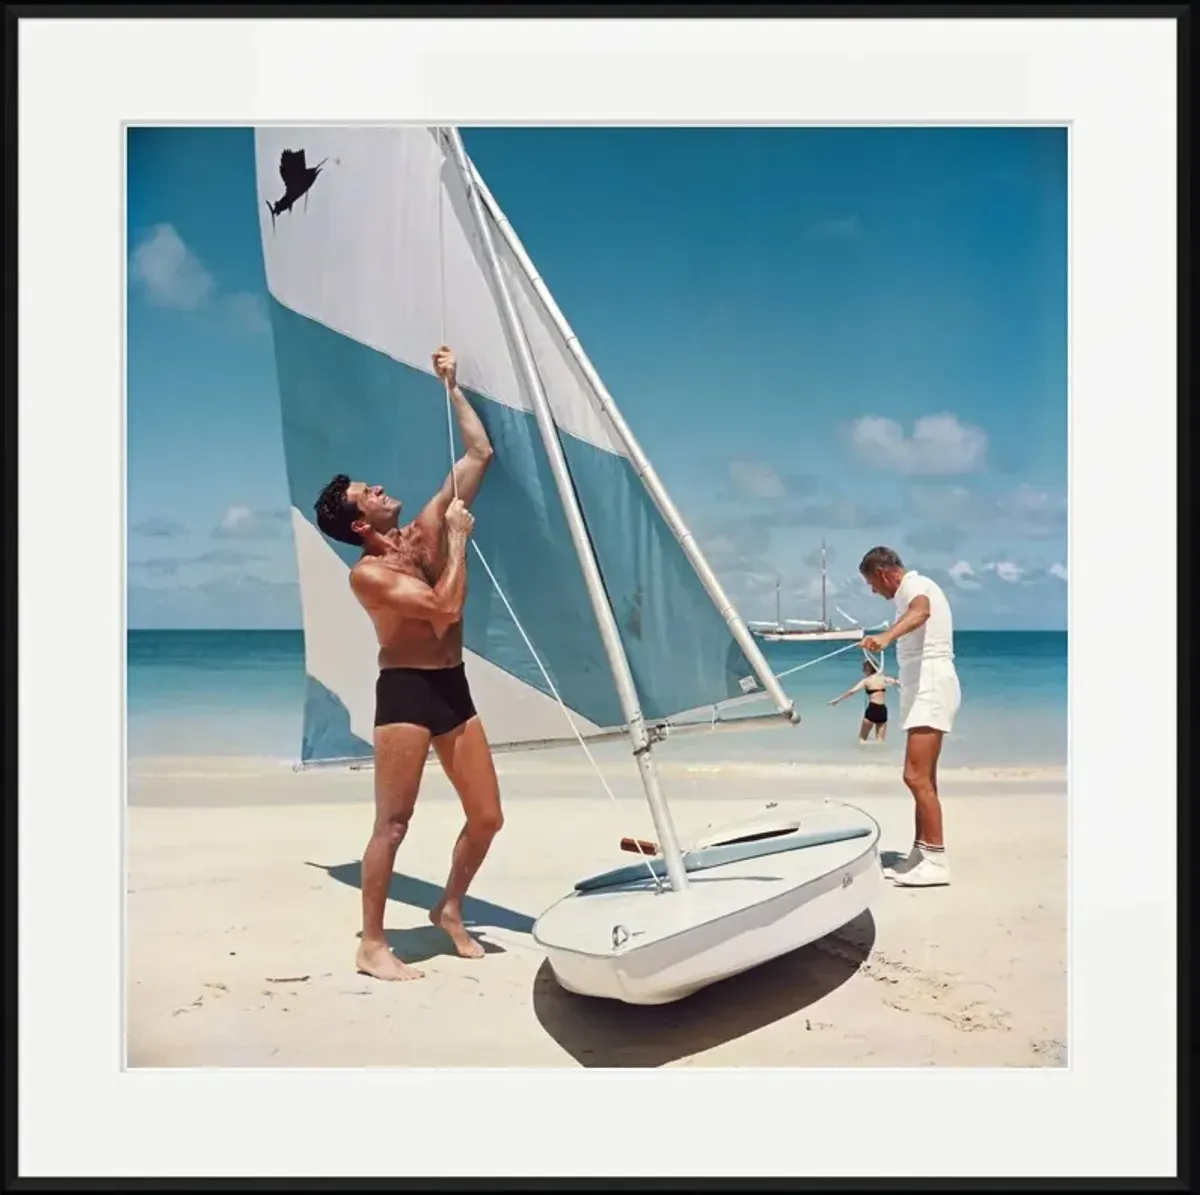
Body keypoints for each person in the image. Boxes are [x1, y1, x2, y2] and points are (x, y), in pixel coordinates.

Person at [313, 345, 500, 980]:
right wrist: (460, 541)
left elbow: (478, 455)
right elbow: (444, 609)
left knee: (487, 817)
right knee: (393, 824)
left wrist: (452, 386)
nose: (379, 487)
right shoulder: (368, 575)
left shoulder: (422, 532)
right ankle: (372, 944)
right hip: (405, 694)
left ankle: (448, 908)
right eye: (367, 492)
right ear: (358, 524)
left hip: (452, 687)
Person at [859, 546, 961, 888]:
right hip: (922, 687)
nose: (874, 591)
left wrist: (886, 636)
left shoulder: (915, 587)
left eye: (872, 583)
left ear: (883, 573)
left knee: (914, 776)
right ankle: (921, 853)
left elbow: (922, 612)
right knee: (924, 778)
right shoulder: (907, 592)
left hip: (931, 686)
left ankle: (936, 860)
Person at [828, 658, 900, 743]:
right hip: (883, 710)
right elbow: (898, 682)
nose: (863, 670)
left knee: (862, 739)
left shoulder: (866, 681)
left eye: (864, 668)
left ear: (869, 668)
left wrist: (837, 700)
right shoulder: (884, 678)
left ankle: (861, 752)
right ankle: (880, 752)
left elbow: (852, 692)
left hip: (873, 708)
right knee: (880, 740)